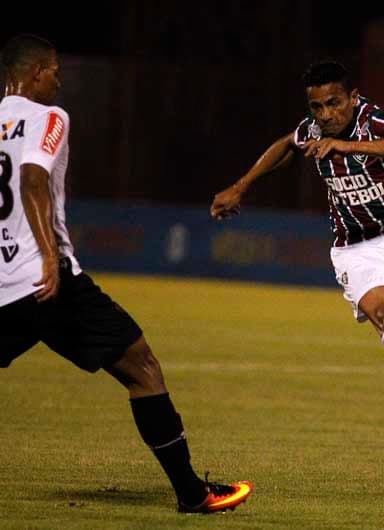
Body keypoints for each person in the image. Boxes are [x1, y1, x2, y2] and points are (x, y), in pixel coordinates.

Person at [0, 34, 252, 514]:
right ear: (35, 73)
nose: (59, 78)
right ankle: (192, 493)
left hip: (1, 284)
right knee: (143, 366)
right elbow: (33, 179)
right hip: (47, 282)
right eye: (54, 69)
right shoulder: (49, 117)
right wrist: (49, 256)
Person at [210, 60, 384, 502]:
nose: (326, 114)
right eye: (317, 107)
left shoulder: (377, 121)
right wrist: (241, 186)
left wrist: (349, 147)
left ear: (352, 97)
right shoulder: (312, 131)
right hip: (355, 248)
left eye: (334, 103)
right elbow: (285, 145)